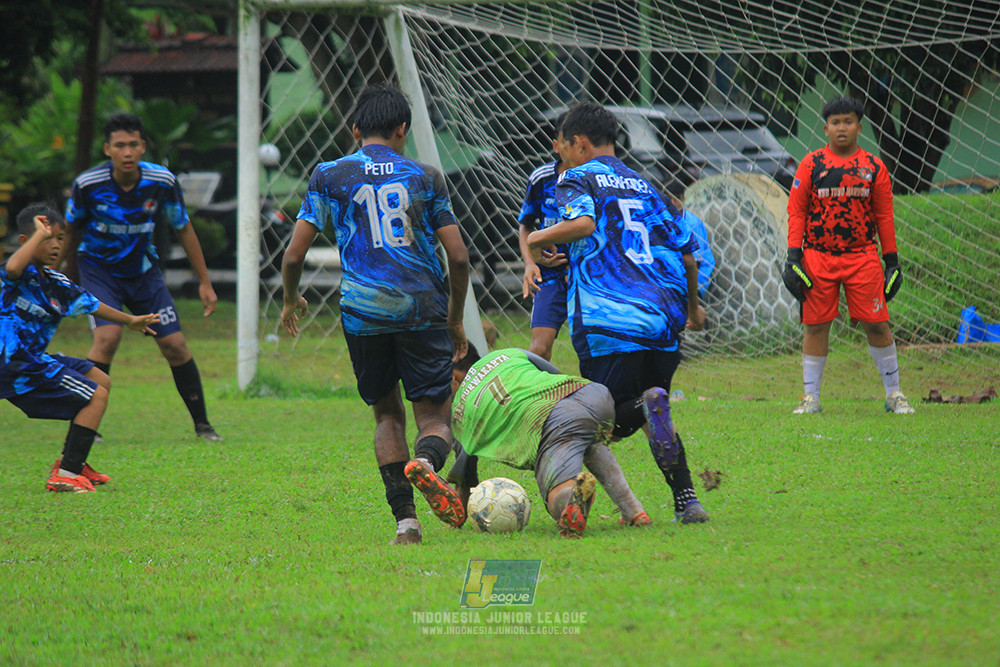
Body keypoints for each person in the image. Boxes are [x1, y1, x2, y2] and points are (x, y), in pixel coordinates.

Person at [280, 84, 471, 546]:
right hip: (422, 307)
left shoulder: (329, 175)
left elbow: (292, 256)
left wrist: (290, 300)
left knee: (386, 415)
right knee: (434, 415)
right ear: (402, 129)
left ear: (355, 129)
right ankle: (425, 464)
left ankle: (406, 524)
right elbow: (460, 257)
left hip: (363, 313)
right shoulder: (426, 176)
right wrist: (455, 318)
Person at [525, 102, 711, 524]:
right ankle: (687, 500)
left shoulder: (576, 176)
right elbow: (688, 255)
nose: (562, 157)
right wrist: (694, 307)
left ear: (580, 144)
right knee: (652, 407)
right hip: (663, 320)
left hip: (609, 319)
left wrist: (538, 237)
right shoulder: (647, 186)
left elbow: (583, 225)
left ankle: (597, 499)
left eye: (565, 148)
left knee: (601, 421)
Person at [63, 112, 224, 441]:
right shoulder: (88, 185)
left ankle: (203, 426)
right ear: (107, 149)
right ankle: (85, 425)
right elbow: (70, 232)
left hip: (143, 274)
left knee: (175, 345)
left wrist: (204, 281)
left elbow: (183, 227)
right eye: (119, 145)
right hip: (99, 271)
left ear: (143, 147)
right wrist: (55, 277)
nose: (127, 152)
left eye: (133, 145)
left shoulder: (161, 181)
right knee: (107, 340)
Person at [1, 204, 159, 492]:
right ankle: (67, 474)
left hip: (32, 359)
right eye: (48, 238)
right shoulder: (14, 277)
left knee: (100, 380)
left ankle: (71, 460)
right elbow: (13, 266)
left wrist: (131, 320)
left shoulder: (56, 284)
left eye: (60, 238)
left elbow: (94, 304)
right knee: (95, 397)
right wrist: (38, 233)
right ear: (27, 241)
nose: (56, 245)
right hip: (13, 364)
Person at [433, 345, 651, 538]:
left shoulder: (459, 414)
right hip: (588, 394)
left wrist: (458, 516)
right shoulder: (506, 354)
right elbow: (553, 373)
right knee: (587, 439)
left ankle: (571, 498)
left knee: (556, 498)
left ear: (453, 376)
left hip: (552, 421)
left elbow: (466, 478)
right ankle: (633, 510)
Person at [783, 96, 913, 415]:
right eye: (836, 122)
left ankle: (894, 394)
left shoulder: (873, 166)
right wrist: (792, 258)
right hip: (817, 258)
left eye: (849, 122)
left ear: (859, 126)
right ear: (826, 128)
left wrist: (892, 261)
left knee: (878, 324)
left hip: (862, 257)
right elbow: (797, 211)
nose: (842, 128)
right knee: (815, 326)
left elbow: (884, 215)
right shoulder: (811, 164)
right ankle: (810, 397)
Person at [517, 115, 572, 360]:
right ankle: (538, 396)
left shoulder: (592, 179)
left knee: (592, 348)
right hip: (549, 274)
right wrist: (529, 262)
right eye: (565, 142)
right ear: (556, 145)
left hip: (586, 273)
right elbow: (526, 226)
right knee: (539, 349)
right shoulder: (541, 179)